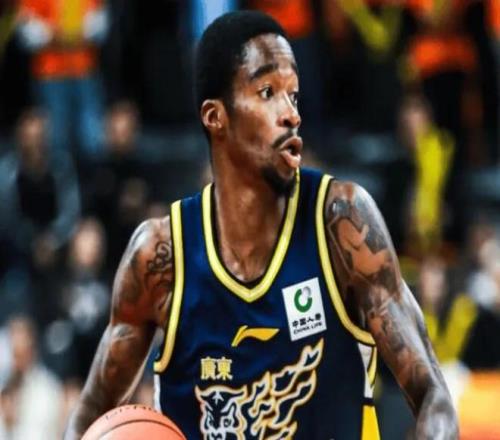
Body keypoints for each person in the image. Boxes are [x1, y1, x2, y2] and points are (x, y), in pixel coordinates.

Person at [65, 11, 457, 439]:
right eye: (268, 92)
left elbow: (433, 397)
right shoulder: (161, 256)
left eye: (294, 95)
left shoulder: (341, 222)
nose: (290, 113)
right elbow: (89, 419)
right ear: (215, 116)